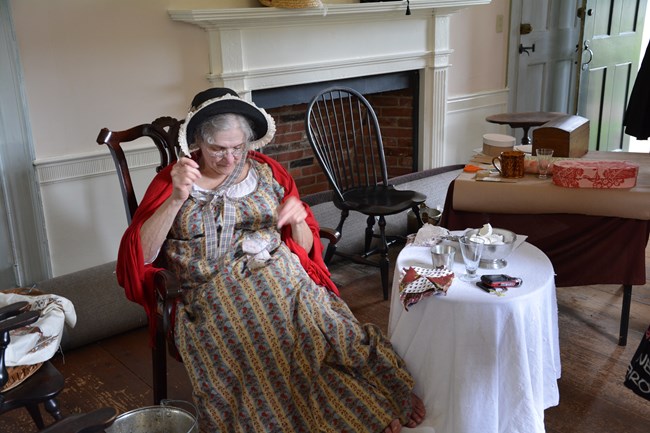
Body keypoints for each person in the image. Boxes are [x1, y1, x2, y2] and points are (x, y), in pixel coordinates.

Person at [116, 88, 425, 433]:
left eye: (238, 147)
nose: (230, 158)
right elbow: (140, 255)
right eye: (218, 149)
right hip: (214, 287)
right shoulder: (174, 181)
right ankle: (332, 418)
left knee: (324, 326)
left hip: (280, 271)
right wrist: (176, 199)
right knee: (265, 339)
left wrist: (296, 220)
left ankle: (362, 405)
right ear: (198, 143)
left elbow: (306, 246)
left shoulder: (267, 172)